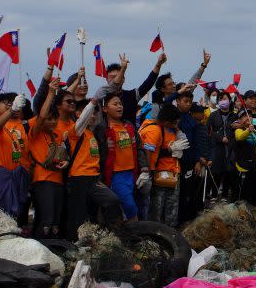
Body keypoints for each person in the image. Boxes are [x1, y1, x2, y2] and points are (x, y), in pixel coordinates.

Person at [65, 98, 123, 239]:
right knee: (78, 217)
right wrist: (92, 104)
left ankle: (112, 236)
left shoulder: (91, 133)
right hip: (78, 178)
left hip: (93, 178)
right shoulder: (75, 131)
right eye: (89, 113)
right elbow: (83, 119)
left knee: (112, 200)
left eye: (94, 113)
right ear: (79, 113)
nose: (92, 116)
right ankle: (73, 246)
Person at [94, 93, 148, 222]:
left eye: (120, 104)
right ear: (105, 109)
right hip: (115, 175)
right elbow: (97, 154)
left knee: (129, 208)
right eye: (115, 104)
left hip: (133, 174)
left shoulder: (129, 125)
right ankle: (136, 235)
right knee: (130, 207)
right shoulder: (101, 129)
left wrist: (145, 168)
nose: (120, 107)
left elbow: (139, 147)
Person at [28, 78, 68, 238]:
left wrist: (66, 162)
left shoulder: (58, 136)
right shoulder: (35, 132)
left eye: (55, 118)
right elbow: (43, 115)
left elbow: (63, 156)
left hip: (58, 181)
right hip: (43, 180)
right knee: (46, 222)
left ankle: (54, 254)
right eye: (49, 119)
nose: (52, 122)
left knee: (55, 224)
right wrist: (51, 92)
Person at [0, 91, 31, 218]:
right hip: (0, 180)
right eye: (4, 103)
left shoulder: (8, 131)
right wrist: (12, 110)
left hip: (14, 179)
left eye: (10, 103)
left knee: (12, 220)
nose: (9, 104)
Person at [140, 103, 187, 226]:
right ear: (166, 122)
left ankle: (169, 231)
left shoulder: (167, 128)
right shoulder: (154, 130)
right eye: (174, 122)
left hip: (172, 171)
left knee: (171, 206)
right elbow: (148, 152)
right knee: (157, 205)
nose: (176, 123)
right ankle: (155, 230)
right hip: (157, 172)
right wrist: (147, 171)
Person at [232, 109, 256, 202]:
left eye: (250, 116)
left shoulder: (255, 131)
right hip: (242, 167)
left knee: (251, 189)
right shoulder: (238, 130)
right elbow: (239, 137)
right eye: (244, 116)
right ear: (239, 121)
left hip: (254, 166)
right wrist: (248, 130)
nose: (248, 117)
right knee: (240, 191)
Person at [207, 90, 237, 201]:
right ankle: (214, 194)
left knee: (228, 171)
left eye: (225, 99)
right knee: (216, 171)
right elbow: (209, 131)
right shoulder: (213, 115)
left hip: (230, 148)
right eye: (220, 99)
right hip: (217, 147)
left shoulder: (234, 116)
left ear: (229, 100)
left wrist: (230, 141)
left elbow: (238, 132)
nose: (222, 101)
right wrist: (220, 138)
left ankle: (225, 195)